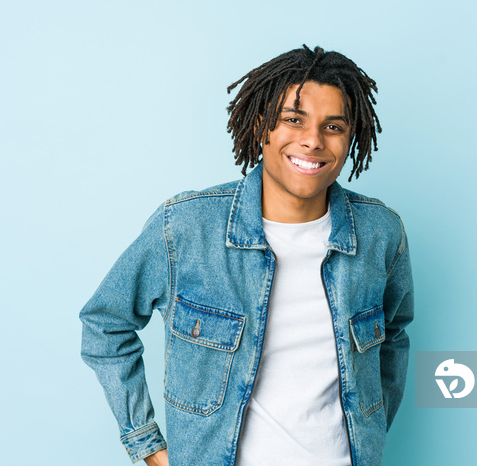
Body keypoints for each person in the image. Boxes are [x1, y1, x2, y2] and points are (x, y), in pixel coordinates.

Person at [80, 45, 414, 466]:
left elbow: (393, 335)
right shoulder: (186, 226)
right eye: (294, 120)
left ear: (351, 137)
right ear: (262, 126)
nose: (313, 140)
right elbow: (104, 324)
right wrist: (149, 447)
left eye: (333, 126)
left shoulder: (380, 233)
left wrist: (369, 436)